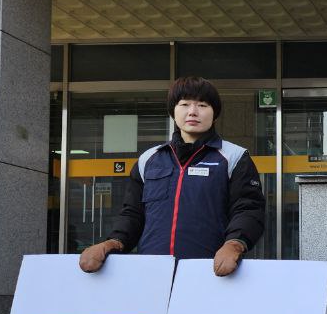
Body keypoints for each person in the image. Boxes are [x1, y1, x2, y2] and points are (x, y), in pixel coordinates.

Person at [79, 76, 265, 276]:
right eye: (184, 104)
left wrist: (235, 243)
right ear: (173, 111)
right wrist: (114, 241)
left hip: (209, 272)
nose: (193, 111)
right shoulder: (149, 159)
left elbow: (248, 208)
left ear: (215, 114)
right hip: (152, 272)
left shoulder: (234, 157)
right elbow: (132, 213)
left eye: (202, 105)